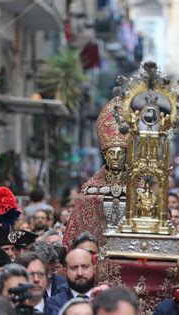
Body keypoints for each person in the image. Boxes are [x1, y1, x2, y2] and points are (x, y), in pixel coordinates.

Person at [62, 97, 131, 249]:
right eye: (111, 153)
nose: (116, 158)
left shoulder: (138, 187)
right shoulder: (90, 190)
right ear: (105, 155)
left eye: (120, 154)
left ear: (127, 155)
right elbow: (75, 232)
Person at [44, 248, 98, 315]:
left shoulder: (105, 299)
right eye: (74, 268)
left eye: (85, 267)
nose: (80, 273)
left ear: (94, 269)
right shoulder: (54, 303)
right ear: (65, 272)